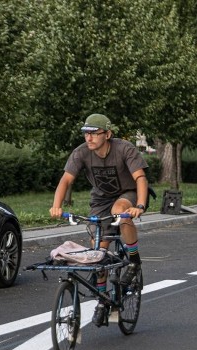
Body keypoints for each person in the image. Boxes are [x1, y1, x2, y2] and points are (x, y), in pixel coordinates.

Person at [50, 113, 149, 326]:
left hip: (129, 194)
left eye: (95, 133)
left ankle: (133, 259)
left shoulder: (124, 149)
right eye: (86, 134)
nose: (89, 138)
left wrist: (139, 205)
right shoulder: (81, 153)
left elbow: (140, 177)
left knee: (119, 211)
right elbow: (66, 179)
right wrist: (56, 206)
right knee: (98, 252)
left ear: (108, 134)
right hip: (100, 200)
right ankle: (103, 302)